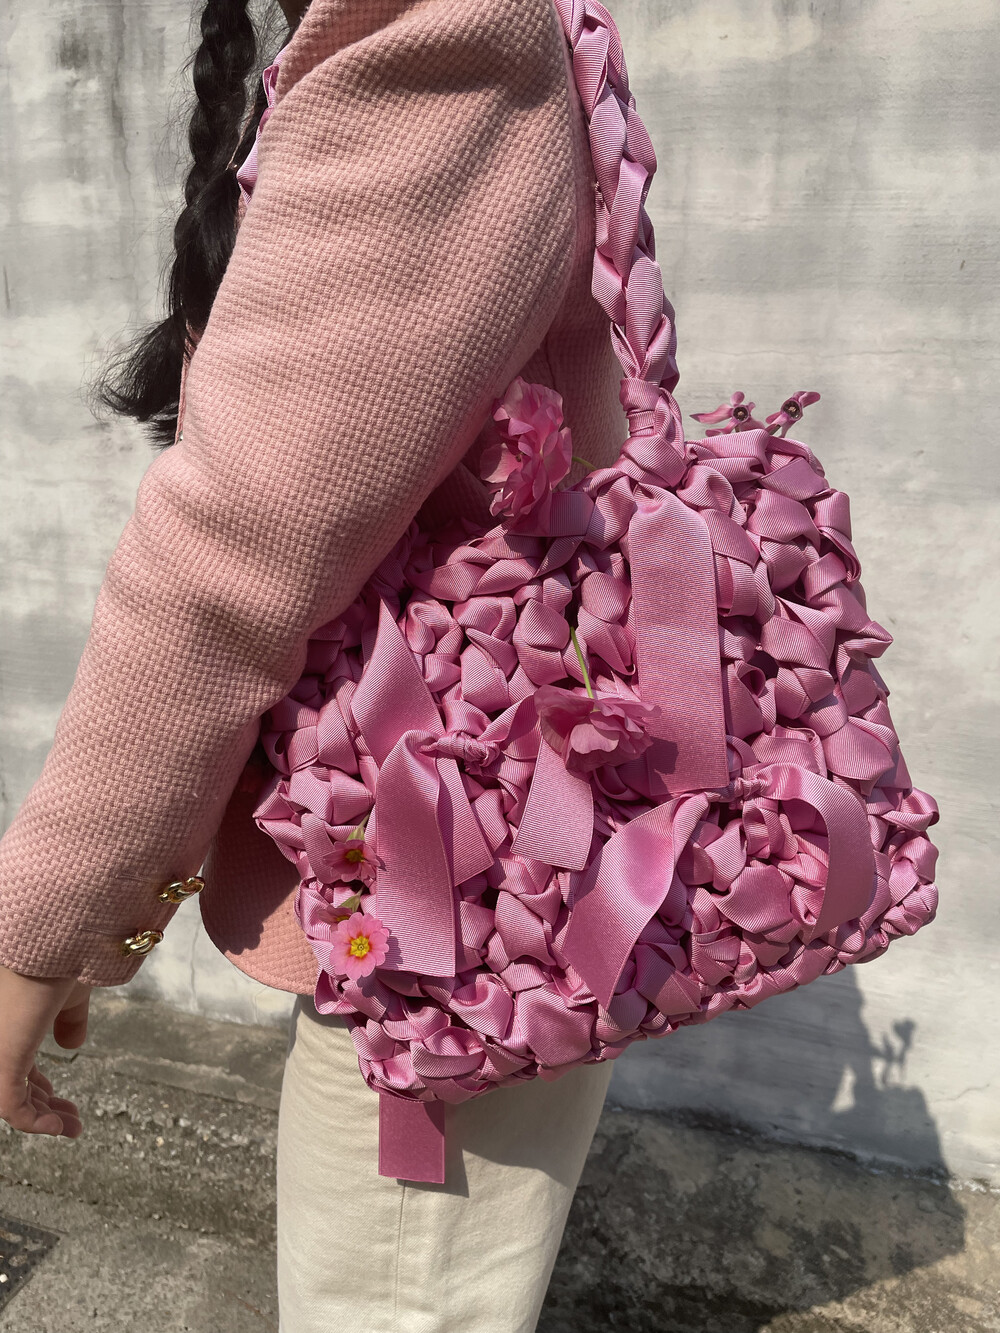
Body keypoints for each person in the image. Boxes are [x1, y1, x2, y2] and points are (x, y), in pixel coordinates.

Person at [0, 0, 625, 1326]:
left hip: (447, 922)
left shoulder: (449, 34)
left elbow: (234, 555)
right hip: (465, 864)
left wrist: (37, 928)